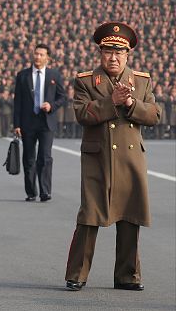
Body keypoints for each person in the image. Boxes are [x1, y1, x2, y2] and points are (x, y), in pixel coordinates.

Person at [64, 22, 160, 292]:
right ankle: (77, 274)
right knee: (89, 216)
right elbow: (82, 114)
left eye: (119, 53)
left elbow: (155, 115)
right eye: (108, 52)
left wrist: (130, 103)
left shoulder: (141, 81)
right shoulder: (85, 81)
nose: (113, 57)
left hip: (131, 161)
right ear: (100, 53)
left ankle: (128, 276)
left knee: (130, 217)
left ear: (128, 55)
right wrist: (112, 102)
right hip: (98, 159)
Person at [12, 43, 66, 202]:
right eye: (36, 54)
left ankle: (45, 191)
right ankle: (30, 192)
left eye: (41, 54)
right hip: (27, 122)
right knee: (29, 158)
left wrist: (52, 106)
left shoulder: (54, 75)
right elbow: (18, 102)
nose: (38, 57)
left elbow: (62, 97)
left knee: (45, 157)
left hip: (46, 122)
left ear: (48, 58)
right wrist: (16, 124)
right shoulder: (22, 75)